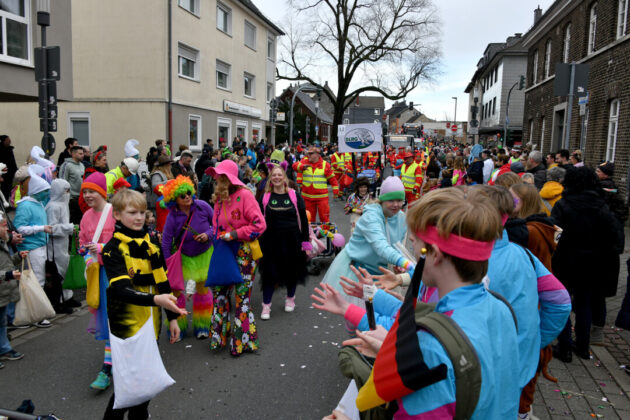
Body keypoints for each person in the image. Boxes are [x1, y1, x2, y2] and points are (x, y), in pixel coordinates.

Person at [317, 188, 521, 419]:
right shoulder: (500, 307)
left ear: (434, 255)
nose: (411, 246)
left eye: (415, 242)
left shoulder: (431, 347)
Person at [101, 189, 185, 419]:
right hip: (127, 326)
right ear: (117, 215)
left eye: (142, 212)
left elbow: (163, 283)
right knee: (127, 388)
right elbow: (121, 290)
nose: (139, 217)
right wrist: (156, 300)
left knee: (146, 382)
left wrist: (173, 317)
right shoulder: (112, 249)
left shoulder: (152, 246)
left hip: (152, 324)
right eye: (132, 212)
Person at [552, 167, 622, 362]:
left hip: (566, 260)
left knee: (563, 302)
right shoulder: (602, 206)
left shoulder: (563, 205)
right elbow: (614, 236)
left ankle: (564, 345)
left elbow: (554, 235)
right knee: (584, 304)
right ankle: (583, 346)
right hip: (593, 262)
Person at [323, 177, 411, 313]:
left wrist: (398, 264)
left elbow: (396, 245)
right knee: (358, 314)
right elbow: (380, 246)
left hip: (379, 272)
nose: (396, 205)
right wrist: (408, 264)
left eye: (399, 200)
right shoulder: (371, 216)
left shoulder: (401, 218)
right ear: (382, 200)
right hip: (358, 269)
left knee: (378, 316)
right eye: (391, 200)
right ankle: (354, 333)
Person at [206, 159, 267, 356]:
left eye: (218, 177)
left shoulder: (245, 196)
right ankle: (219, 339)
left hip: (244, 253)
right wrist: (217, 240)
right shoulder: (219, 199)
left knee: (242, 298)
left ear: (227, 178)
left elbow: (260, 225)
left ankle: (241, 343)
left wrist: (234, 234)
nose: (215, 180)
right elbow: (215, 226)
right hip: (224, 252)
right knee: (220, 296)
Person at [161, 176, 214, 339]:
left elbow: (217, 225)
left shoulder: (203, 206)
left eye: (189, 192)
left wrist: (207, 234)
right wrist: (167, 264)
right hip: (183, 258)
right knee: (176, 292)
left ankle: (202, 326)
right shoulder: (172, 216)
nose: (187, 197)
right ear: (174, 199)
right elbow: (166, 241)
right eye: (182, 195)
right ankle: (178, 329)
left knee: (202, 290)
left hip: (205, 254)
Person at [79, 172, 117, 390]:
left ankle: (119, 362)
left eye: (91, 191)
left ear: (102, 191)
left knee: (121, 319)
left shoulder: (116, 212)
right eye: (85, 191)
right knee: (109, 321)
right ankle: (107, 367)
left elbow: (127, 242)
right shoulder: (85, 217)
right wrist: (87, 257)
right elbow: (82, 244)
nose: (87, 195)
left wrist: (103, 248)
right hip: (100, 275)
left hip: (120, 274)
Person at [257, 166, 309, 320]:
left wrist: (305, 242)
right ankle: (266, 305)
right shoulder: (265, 197)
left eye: (280, 175)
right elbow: (258, 219)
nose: (277, 177)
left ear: (284, 177)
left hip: (293, 240)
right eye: (274, 175)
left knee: (291, 271)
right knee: (269, 274)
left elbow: (304, 220)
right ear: (270, 178)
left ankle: (290, 298)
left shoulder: (294, 195)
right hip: (270, 242)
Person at [13, 170, 53, 328]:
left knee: (38, 280)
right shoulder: (26, 206)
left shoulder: (38, 203)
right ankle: (32, 314)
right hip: (31, 247)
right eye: (45, 192)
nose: (47, 194)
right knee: (34, 281)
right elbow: (19, 227)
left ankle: (36, 312)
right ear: (37, 191)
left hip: (40, 245)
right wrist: (41, 228)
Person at [45, 179, 79, 312]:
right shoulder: (53, 206)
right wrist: (69, 228)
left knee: (65, 270)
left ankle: (67, 297)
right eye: (65, 190)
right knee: (58, 274)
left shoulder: (63, 204)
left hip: (63, 244)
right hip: (55, 246)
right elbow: (51, 228)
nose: (68, 193)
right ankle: (58, 301)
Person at [0, 212, 27, 367]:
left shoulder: (2, 243)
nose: (7, 230)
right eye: (4, 226)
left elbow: (6, 262)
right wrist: (8, 274)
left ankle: (4, 348)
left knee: (2, 322)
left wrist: (18, 256)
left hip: (3, 292)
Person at [292, 146, 339, 222]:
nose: (308, 155)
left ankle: (325, 233)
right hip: (307, 198)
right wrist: (302, 167)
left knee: (324, 218)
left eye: (311, 153)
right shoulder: (304, 161)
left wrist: (336, 191)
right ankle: (310, 233)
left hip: (322, 198)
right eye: (308, 153)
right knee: (308, 219)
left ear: (317, 154)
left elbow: (333, 179)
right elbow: (294, 166)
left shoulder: (325, 164)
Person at [59, 145, 86, 224]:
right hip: (71, 200)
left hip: (81, 198)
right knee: (72, 222)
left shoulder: (82, 165)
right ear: (73, 154)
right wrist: (67, 198)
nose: (82, 155)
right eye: (80, 154)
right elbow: (62, 181)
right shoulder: (66, 165)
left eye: (83, 153)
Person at [596, 161, 629, 225]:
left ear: (606, 175)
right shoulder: (610, 184)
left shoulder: (605, 185)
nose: (596, 173)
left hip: (611, 219)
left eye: (598, 171)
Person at [0, 135, 18, 201]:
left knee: (8, 190)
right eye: (7, 139)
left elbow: (13, 162)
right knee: (4, 189)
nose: (10, 141)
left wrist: (15, 170)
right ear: (3, 141)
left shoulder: (10, 150)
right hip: (4, 174)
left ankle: (6, 203)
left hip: (10, 173)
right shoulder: (1, 150)